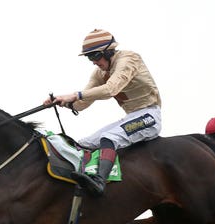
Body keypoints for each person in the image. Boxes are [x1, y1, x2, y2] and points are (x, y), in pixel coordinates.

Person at [44, 29, 162, 197]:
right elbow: (81, 104)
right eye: (89, 57)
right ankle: (85, 176)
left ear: (108, 51)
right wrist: (62, 102)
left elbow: (111, 89)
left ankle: (99, 181)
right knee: (83, 143)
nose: (93, 62)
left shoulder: (128, 59)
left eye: (95, 56)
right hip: (131, 117)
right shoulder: (100, 73)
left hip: (150, 116)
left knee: (109, 138)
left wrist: (75, 95)